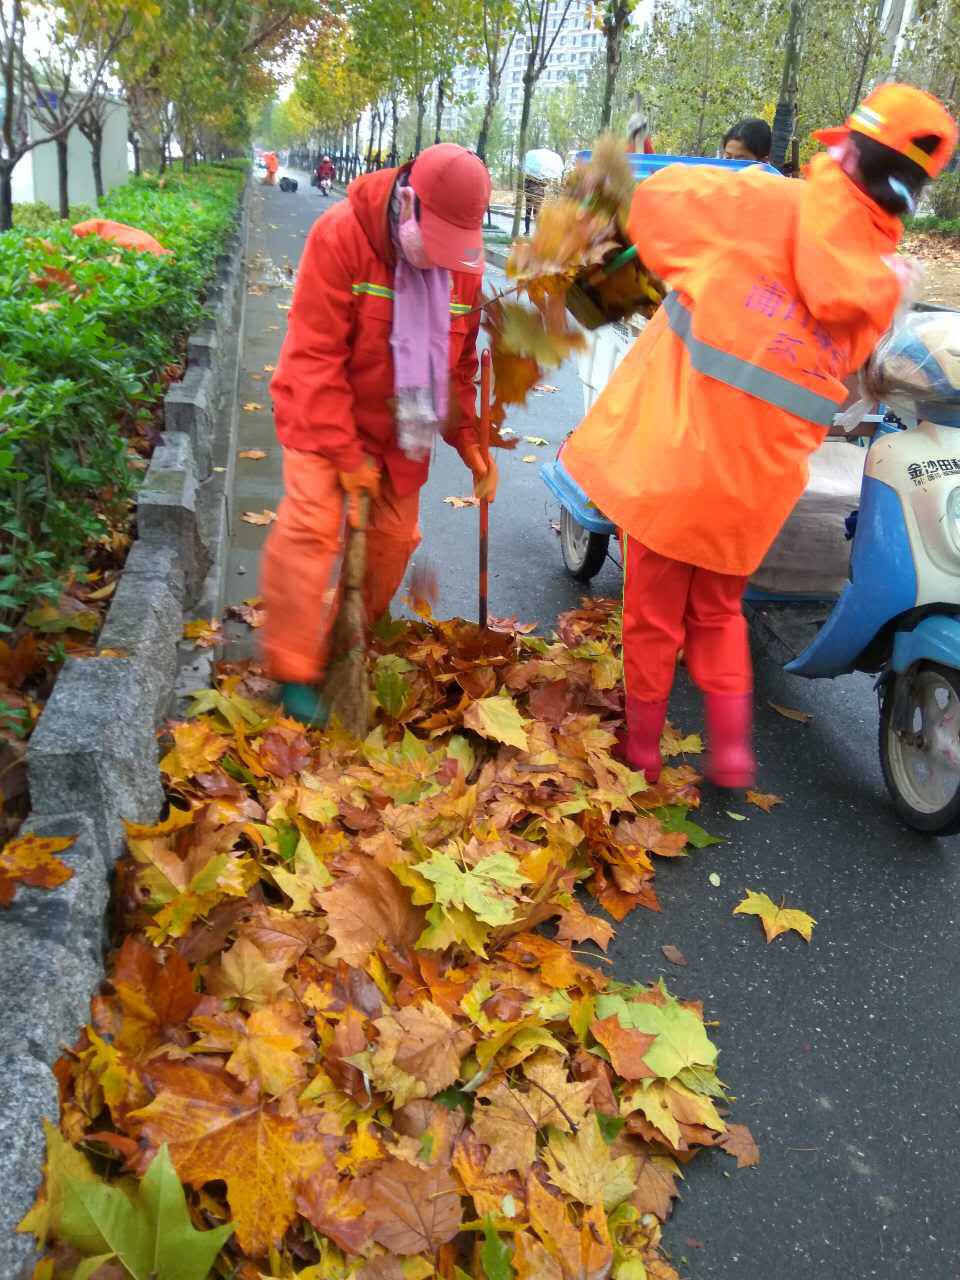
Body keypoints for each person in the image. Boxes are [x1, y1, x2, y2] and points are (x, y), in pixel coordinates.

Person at [562, 83, 957, 788]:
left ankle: (644, 751)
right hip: (756, 484)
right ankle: (735, 753)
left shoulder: (758, 202)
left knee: (652, 617)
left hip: (671, 461)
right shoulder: (883, 282)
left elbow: (647, 207)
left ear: (846, 149)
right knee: (716, 614)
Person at [261, 143, 497, 724]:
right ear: (407, 202)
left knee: (393, 543)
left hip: (401, 429)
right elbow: (316, 358)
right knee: (310, 531)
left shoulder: (462, 271)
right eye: (434, 241)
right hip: (322, 417)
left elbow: (458, 362)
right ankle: (293, 669)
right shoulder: (341, 237)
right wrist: (344, 454)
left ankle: (343, 648)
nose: (441, 261)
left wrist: (470, 442)